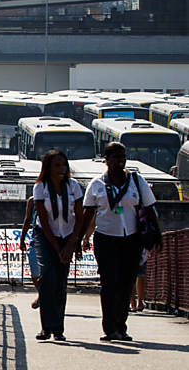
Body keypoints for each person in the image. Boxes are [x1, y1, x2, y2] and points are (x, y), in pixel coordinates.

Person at [80, 142, 161, 342]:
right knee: (109, 283)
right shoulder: (97, 184)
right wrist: (79, 239)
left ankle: (121, 326)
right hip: (106, 238)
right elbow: (87, 214)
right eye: (116, 156)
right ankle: (109, 328)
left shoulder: (136, 181)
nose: (120, 160)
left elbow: (150, 209)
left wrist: (157, 235)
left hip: (132, 239)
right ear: (106, 160)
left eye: (123, 156)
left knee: (126, 284)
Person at [32, 150, 84, 342]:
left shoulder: (74, 186)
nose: (62, 169)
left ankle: (58, 328)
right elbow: (44, 221)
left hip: (68, 236)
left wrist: (70, 244)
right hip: (46, 236)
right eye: (57, 165)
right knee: (47, 277)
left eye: (64, 165)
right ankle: (46, 326)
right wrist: (56, 247)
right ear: (48, 168)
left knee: (61, 281)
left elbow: (79, 218)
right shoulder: (40, 187)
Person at [18, 197, 41, 310]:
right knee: (35, 272)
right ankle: (42, 294)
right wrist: (22, 238)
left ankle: (48, 297)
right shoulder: (33, 201)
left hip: (53, 240)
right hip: (35, 240)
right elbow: (27, 219)